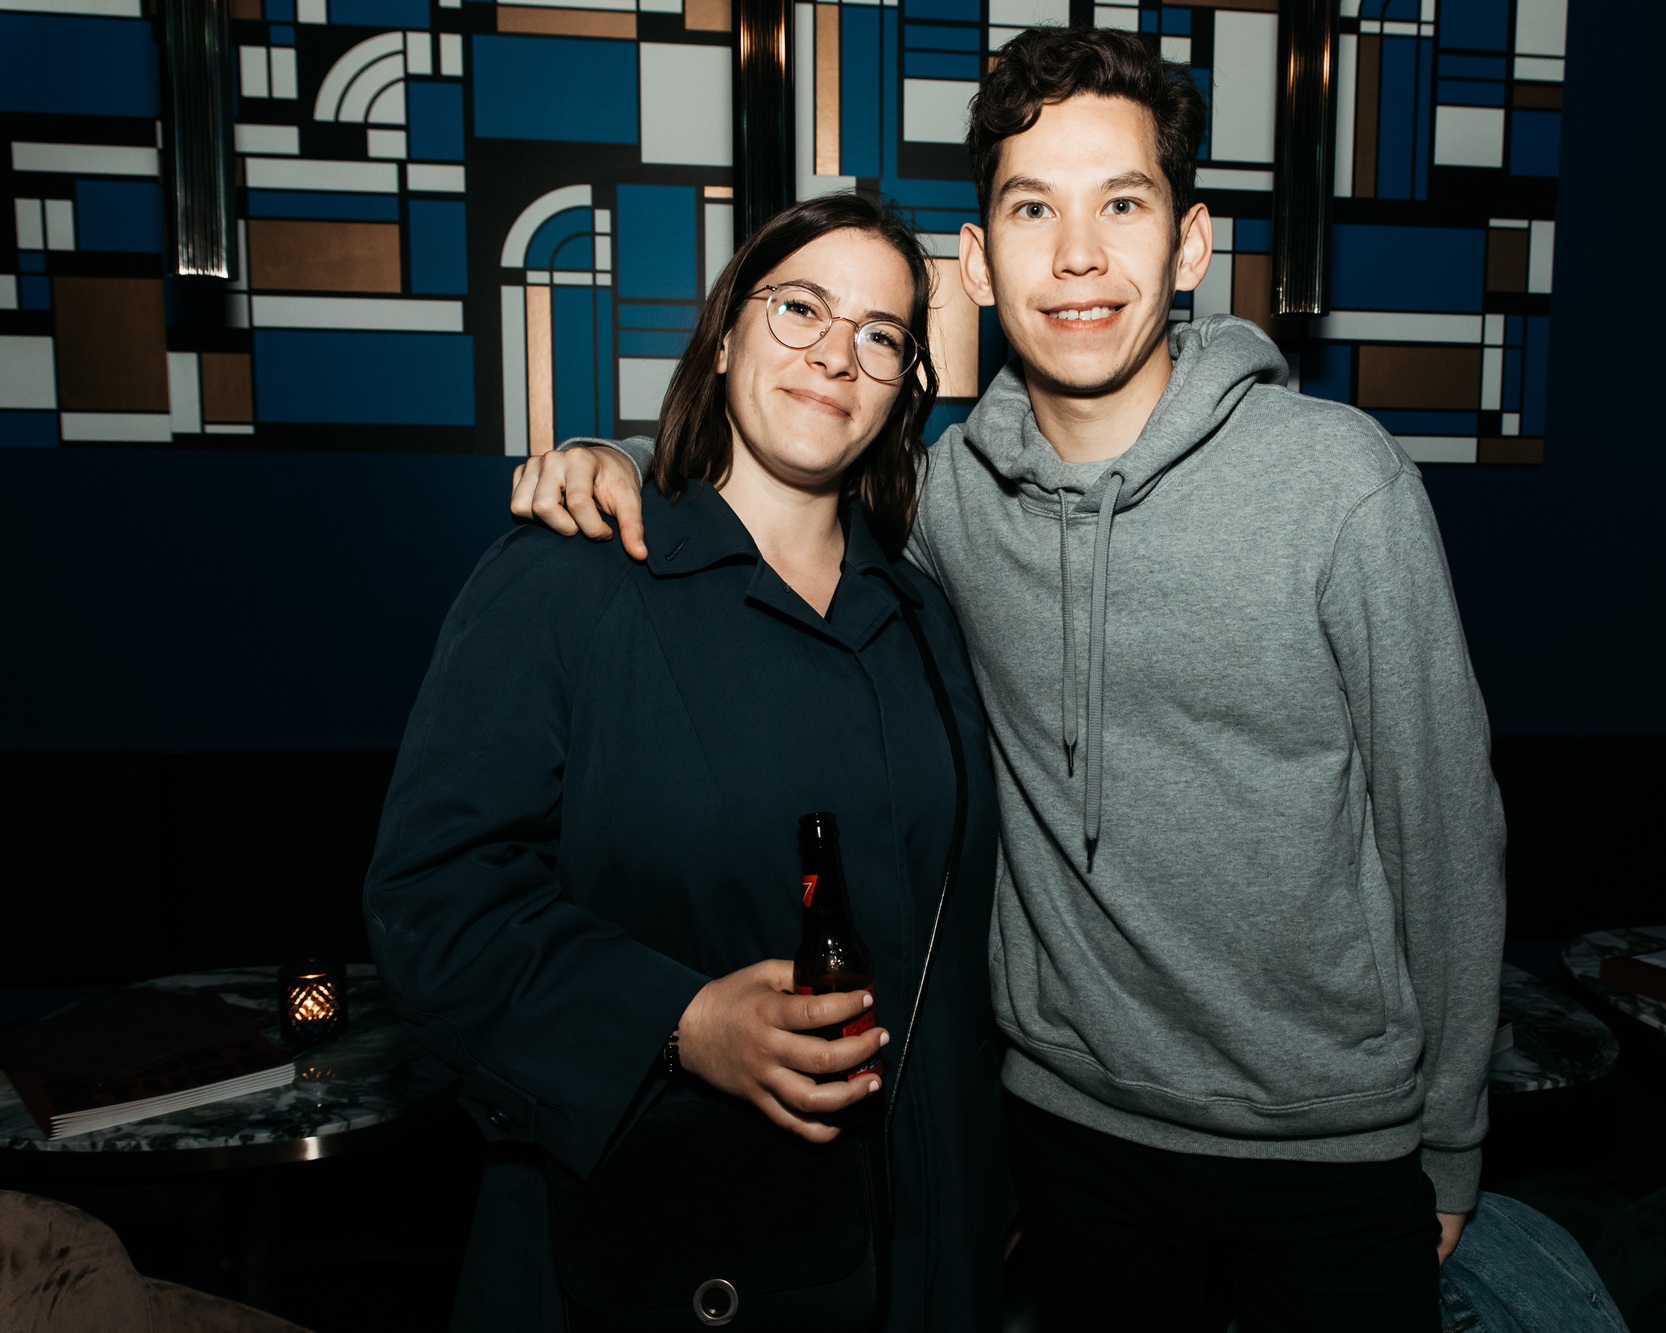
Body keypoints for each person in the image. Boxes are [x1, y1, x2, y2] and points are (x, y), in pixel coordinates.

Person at [511, 26, 1505, 1333]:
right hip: (1067, 1139)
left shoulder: (1337, 484)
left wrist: (1449, 1139)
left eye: (1122, 205)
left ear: (1190, 244)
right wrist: (618, 460)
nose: (1077, 255)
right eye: (1034, 209)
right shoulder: (950, 501)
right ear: (978, 263)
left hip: (1328, 1146)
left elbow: (1445, 825)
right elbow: (785, 477)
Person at [363, 194, 1008, 1333]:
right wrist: (682, 1020)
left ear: (906, 385)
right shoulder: (570, 577)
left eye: (879, 334)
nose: (835, 355)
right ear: (722, 336)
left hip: (914, 1245)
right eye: (800, 308)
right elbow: (433, 903)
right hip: (660, 1256)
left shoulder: (922, 616)